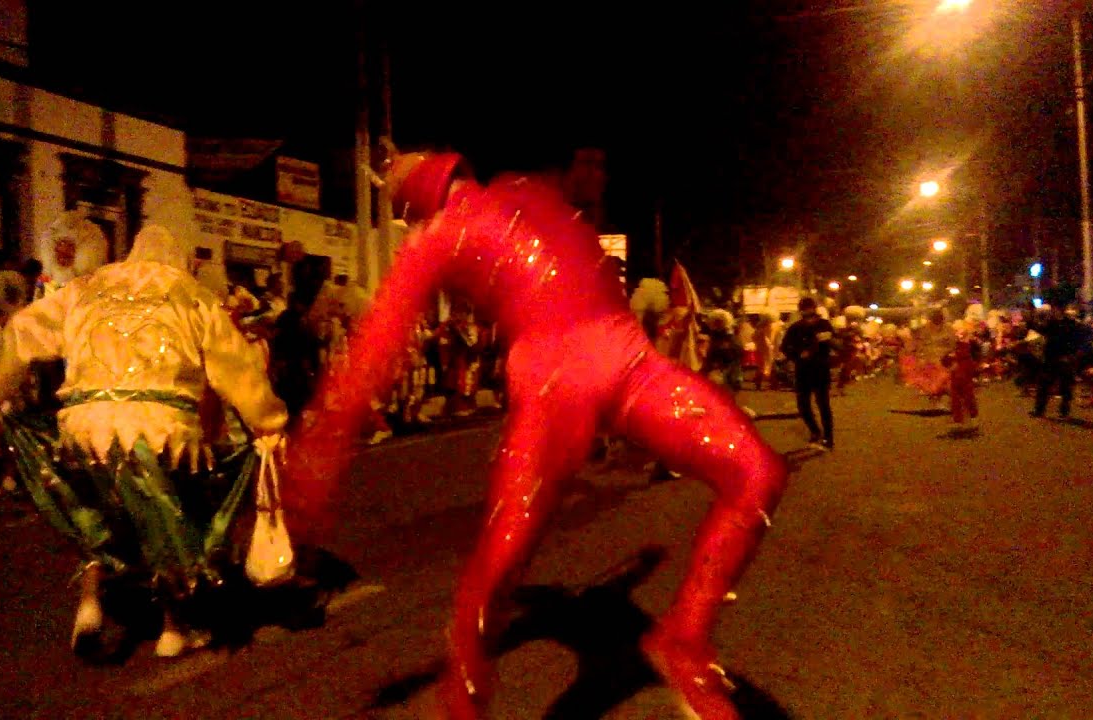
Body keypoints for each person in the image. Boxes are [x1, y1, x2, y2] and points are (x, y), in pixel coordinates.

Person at [285, 152, 788, 720]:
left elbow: (374, 348)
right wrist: (320, 448)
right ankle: (463, 697)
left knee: (756, 471)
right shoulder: (437, 236)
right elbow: (377, 344)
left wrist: (319, 447)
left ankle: (683, 638)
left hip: (631, 363)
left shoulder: (523, 189)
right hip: (559, 387)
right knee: (503, 558)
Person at [0, 226, 289, 658]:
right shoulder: (191, 293)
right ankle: (174, 627)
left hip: (84, 425)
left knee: (100, 512)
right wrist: (268, 420)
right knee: (174, 515)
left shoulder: (89, 286)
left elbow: (22, 331)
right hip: (160, 428)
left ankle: (89, 603)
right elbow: (233, 365)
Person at [780, 298, 836, 450]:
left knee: (823, 404)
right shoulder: (796, 327)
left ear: (814, 308)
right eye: (804, 308)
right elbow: (784, 346)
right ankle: (815, 430)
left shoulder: (824, 324)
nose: (807, 311)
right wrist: (797, 355)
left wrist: (824, 342)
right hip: (803, 370)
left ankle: (828, 438)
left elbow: (832, 341)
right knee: (803, 405)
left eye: (809, 308)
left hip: (820, 369)